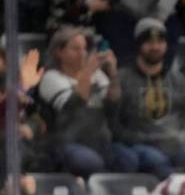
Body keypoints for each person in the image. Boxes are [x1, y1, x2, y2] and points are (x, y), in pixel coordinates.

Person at [112, 18, 185, 178]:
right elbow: (113, 123)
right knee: (156, 160)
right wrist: (143, 139)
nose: (155, 47)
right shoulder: (123, 78)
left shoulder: (178, 79)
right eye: (149, 42)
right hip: (140, 146)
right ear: (138, 45)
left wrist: (183, 136)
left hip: (175, 144)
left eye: (160, 41)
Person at [38, 25, 136, 177]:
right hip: (66, 143)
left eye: (84, 48)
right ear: (59, 52)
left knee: (129, 159)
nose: (82, 54)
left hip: (100, 142)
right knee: (89, 162)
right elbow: (73, 106)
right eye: (75, 49)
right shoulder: (51, 78)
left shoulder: (97, 75)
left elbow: (114, 104)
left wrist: (113, 74)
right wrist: (88, 71)